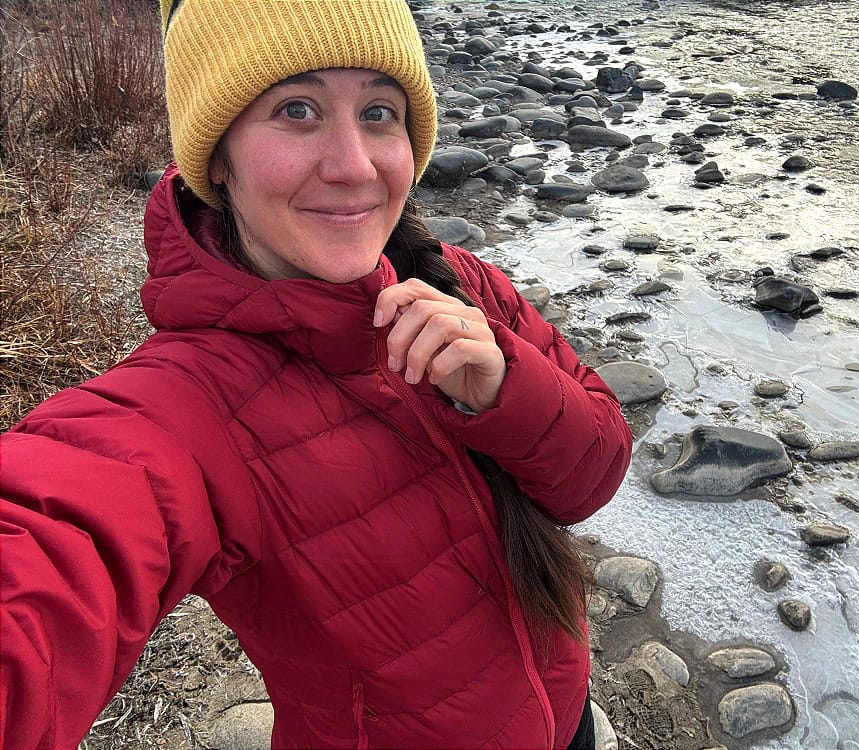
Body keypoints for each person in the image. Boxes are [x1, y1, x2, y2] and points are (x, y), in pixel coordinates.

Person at [0, 1, 632, 748]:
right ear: (218, 161)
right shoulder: (188, 406)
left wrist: (504, 390)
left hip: (569, 722)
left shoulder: (463, 285)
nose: (354, 165)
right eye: (296, 109)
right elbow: (58, 533)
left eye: (378, 111)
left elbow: (591, 477)